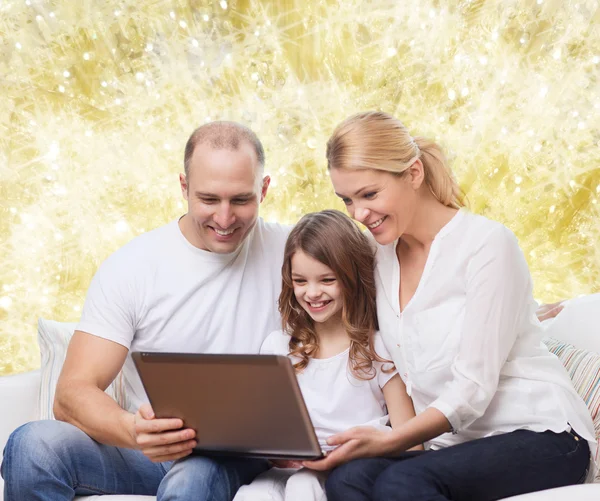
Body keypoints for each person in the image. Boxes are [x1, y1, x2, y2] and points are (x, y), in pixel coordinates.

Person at [302, 111, 597, 501]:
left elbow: (472, 388)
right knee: (348, 479)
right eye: (348, 200)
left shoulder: (488, 245)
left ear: (413, 174)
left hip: (543, 435)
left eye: (369, 194)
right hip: (453, 449)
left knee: (401, 482)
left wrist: (388, 441)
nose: (358, 214)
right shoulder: (377, 257)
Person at [0, 122, 291, 501]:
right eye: (208, 199)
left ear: (263, 189)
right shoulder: (134, 266)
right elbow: (71, 393)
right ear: (184, 187)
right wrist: (134, 431)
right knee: (32, 447)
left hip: (242, 458)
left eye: (240, 200)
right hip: (148, 455)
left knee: (192, 478)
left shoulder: (295, 255)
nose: (224, 218)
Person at [235, 210, 420, 501]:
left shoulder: (378, 349)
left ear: (351, 277)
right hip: (287, 470)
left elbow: (411, 443)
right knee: (251, 495)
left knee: (303, 487)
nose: (312, 293)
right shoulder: (278, 348)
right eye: (300, 280)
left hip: (348, 472)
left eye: (327, 280)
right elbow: (264, 430)